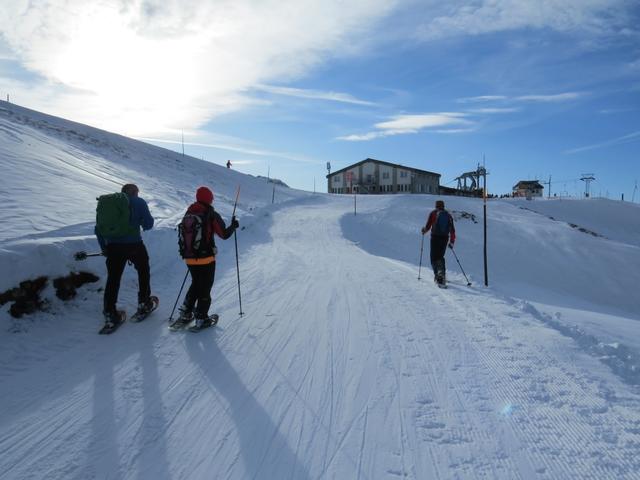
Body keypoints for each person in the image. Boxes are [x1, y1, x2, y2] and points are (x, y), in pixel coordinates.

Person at [175, 186, 239, 328]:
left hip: (189, 257)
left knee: (196, 283)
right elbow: (223, 234)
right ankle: (201, 317)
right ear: (209, 198)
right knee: (205, 287)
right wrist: (233, 226)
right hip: (206, 258)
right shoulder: (211, 213)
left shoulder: (189, 212)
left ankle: (186, 311)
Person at [96, 183, 155, 327]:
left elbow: (98, 229)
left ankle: (110, 312)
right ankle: (144, 303)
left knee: (113, 278)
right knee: (143, 270)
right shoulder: (138, 202)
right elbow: (148, 224)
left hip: (113, 247)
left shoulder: (109, 204)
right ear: (135, 192)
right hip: (134, 245)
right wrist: (139, 221)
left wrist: (105, 248)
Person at [421, 199, 456, 286]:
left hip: (435, 238)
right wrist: (452, 242)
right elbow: (452, 230)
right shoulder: (448, 215)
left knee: (433, 258)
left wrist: (424, 231)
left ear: (436, 205)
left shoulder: (433, 213)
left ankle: (439, 276)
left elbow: (428, 226)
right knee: (440, 256)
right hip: (445, 238)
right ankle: (442, 275)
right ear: (443, 206)